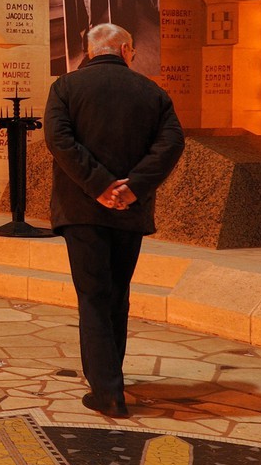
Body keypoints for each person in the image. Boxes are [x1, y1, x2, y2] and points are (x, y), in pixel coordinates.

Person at [44, 23, 184, 418]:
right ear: (125, 50)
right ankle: (111, 380)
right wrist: (132, 187)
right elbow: (171, 143)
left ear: (90, 51)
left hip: (81, 210)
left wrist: (99, 185)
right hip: (129, 210)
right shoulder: (152, 92)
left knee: (93, 296)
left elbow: (59, 140)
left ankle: (107, 391)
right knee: (117, 295)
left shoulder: (65, 87)